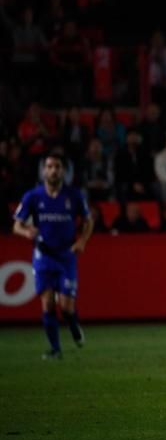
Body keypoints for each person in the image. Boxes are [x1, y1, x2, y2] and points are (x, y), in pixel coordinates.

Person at [12, 153, 94, 359]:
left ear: (63, 171)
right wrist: (27, 232)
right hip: (43, 256)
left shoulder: (74, 195)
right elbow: (16, 226)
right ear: (43, 171)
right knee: (48, 303)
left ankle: (73, 324)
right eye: (49, 166)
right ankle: (55, 349)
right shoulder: (33, 196)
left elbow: (88, 221)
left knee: (66, 308)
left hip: (66, 255)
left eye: (57, 166)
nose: (53, 170)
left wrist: (82, 241)